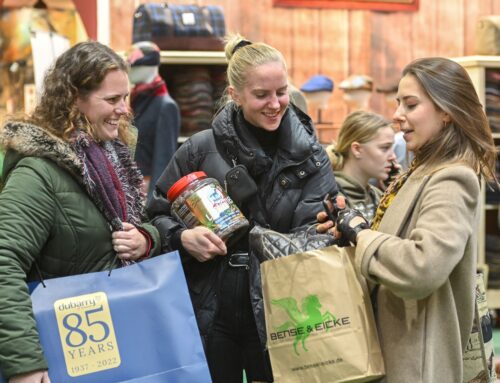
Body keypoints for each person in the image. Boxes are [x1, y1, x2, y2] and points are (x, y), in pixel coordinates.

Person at [146, 34, 338, 383]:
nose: (275, 104)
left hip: (284, 310)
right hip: (210, 309)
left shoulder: (311, 156)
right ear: (234, 95)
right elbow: (155, 213)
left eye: (281, 91)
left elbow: (319, 231)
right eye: (261, 95)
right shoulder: (200, 149)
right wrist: (183, 236)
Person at [318, 57, 497, 382]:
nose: (398, 114)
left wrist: (361, 234)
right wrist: (350, 234)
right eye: (399, 103)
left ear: (446, 111)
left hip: (417, 365)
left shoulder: (452, 178)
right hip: (395, 351)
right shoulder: (421, 172)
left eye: (411, 104)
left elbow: (422, 266)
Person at [0, 41, 161, 382]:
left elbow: (137, 225)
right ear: (75, 99)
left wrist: (146, 239)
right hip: (64, 352)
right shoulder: (38, 174)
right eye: (112, 100)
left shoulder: (113, 160)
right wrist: (25, 364)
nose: (123, 110)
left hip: (112, 345)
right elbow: (3, 262)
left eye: (125, 98)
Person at [127, 41, 180, 200]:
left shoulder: (165, 106)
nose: (130, 72)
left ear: (149, 67)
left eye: (134, 67)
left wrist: (154, 201)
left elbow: (163, 160)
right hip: (129, 187)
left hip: (146, 191)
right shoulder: (135, 100)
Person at [326, 110, 396, 223]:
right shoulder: (330, 196)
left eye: (392, 148)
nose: (393, 156)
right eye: (385, 148)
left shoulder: (377, 195)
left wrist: (399, 189)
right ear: (357, 149)